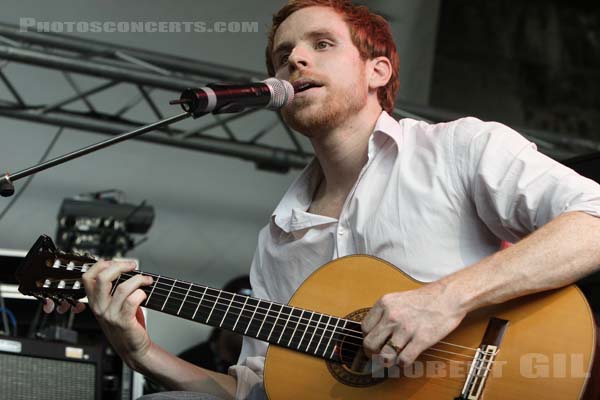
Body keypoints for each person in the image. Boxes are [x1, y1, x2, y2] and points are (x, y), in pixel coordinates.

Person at [45, 1, 600, 399]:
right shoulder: (278, 236)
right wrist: (142, 353)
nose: (295, 61)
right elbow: (258, 389)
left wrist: (447, 298)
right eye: (283, 54)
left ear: (377, 70)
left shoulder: (460, 148)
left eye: (321, 45)